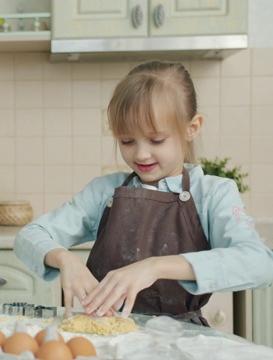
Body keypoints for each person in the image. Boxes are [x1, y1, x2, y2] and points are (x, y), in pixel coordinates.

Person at [14, 60, 273, 326]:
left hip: (182, 341)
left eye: (156, 140)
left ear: (191, 128)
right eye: (127, 141)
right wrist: (64, 259)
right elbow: (29, 236)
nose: (140, 154)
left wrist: (155, 267)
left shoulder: (213, 194)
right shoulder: (105, 192)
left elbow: (260, 264)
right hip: (108, 334)